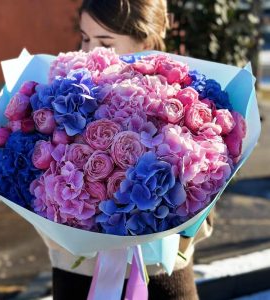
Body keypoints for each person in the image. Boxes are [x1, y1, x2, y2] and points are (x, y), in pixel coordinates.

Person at [41, 1, 213, 299]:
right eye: (85, 37)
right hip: (77, 280)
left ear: (145, 40)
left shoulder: (183, 101)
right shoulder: (60, 100)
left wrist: (169, 223)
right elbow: (35, 199)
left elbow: (202, 220)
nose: (90, 51)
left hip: (163, 280)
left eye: (105, 42)